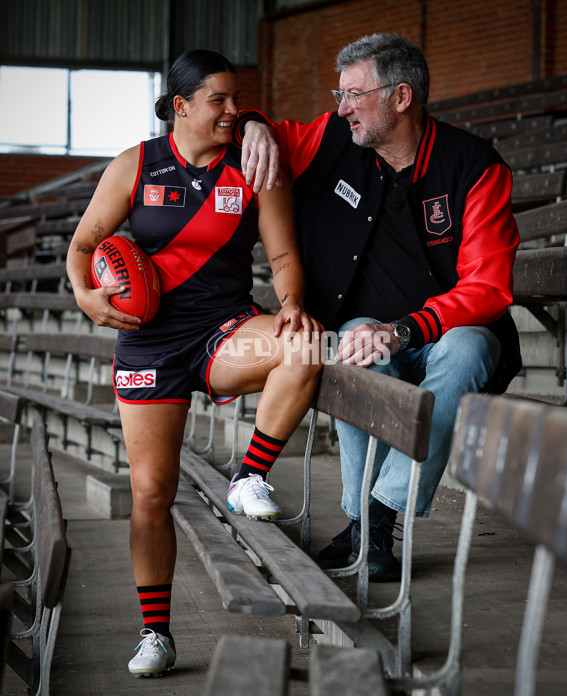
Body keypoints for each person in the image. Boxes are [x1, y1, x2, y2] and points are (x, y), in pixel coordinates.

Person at [66, 49, 323, 678]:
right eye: (220, 101)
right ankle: (156, 633)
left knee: (306, 343)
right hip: (149, 343)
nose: (234, 111)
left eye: (239, 100)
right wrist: (87, 296)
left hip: (223, 330)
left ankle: (249, 476)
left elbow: (285, 258)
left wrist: (290, 303)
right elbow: (82, 244)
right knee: (152, 494)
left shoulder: (254, 165)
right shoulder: (136, 164)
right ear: (180, 107)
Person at [238, 33, 522, 582]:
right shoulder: (329, 137)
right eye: (338, 93)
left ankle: (374, 519)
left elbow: (489, 286)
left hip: (450, 332)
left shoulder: (474, 166)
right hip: (362, 330)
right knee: (357, 343)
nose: (340, 107)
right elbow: (268, 132)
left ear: (400, 97)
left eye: (354, 94)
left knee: (464, 350)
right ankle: (369, 526)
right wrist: (252, 122)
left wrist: (407, 329)